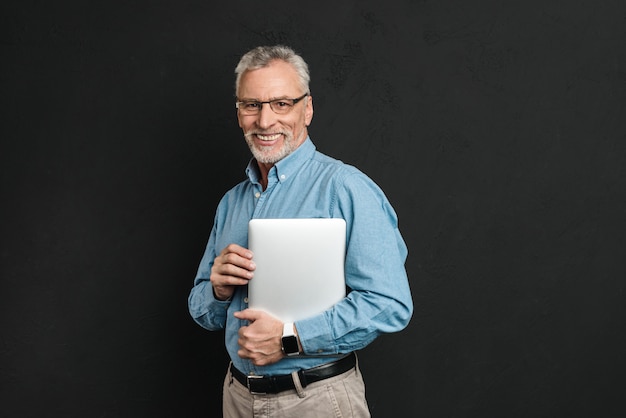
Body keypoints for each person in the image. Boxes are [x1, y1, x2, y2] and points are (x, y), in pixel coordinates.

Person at [188, 45, 413, 418]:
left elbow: (389, 304)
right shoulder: (231, 202)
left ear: (307, 109)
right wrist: (217, 289)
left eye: (281, 104)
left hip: (316, 401)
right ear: (239, 113)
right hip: (238, 397)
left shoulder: (346, 188)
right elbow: (203, 312)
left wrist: (289, 338)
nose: (264, 121)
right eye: (252, 105)